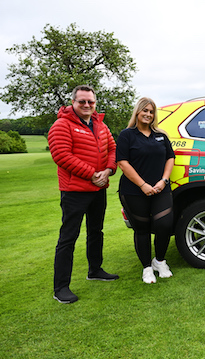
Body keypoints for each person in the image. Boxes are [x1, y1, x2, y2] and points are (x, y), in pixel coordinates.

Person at [48, 85, 119, 304]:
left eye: (91, 101)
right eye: (82, 102)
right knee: (68, 238)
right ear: (73, 103)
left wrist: (108, 171)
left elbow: (113, 149)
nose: (87, 105)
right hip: (74, 191)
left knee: (96, 231)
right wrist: (92, 174)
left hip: (98, 189)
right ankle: (60, 287)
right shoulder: (62, 125)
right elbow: (61, 155)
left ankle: (95, 270)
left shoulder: (100, 125)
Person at [116, 97, 176, 284]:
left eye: (151, 112)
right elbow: (122, 163)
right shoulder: (127, 135)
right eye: (145, 111)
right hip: (134, 190)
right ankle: (147, 268)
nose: (148, 114)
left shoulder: (161, 135)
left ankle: (159, 261)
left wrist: (163, 180)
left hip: (161, 188)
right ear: (137, 112)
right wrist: (143, 185)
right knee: (141, 229)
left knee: (165, 225)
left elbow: (170, 158)